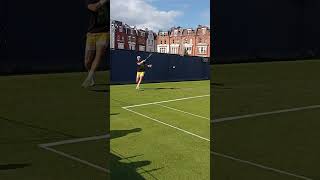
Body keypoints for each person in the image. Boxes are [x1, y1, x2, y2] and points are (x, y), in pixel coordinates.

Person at [82, 0, 109, 88]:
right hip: (92, 33)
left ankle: (89, 78)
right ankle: (91, 76)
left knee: (98, 56)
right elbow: (93, 8)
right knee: (87, 62)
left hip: (105, 32)